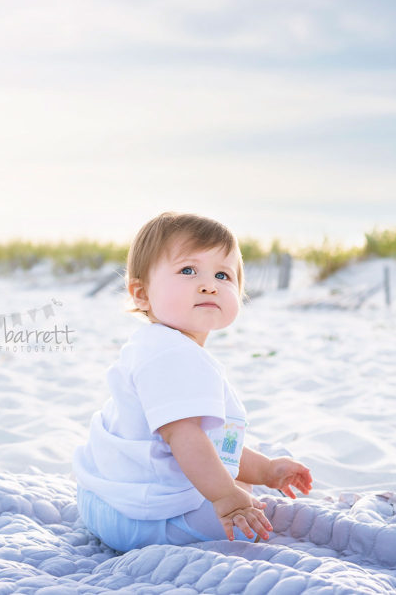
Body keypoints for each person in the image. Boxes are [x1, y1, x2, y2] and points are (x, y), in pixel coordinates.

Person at [72, 212, 313, 552]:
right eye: (188, 270)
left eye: (223, 275)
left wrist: (267, 469)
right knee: (245, 516)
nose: (209, 284)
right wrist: (228, 498)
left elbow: (208, 442)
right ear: (141, 294)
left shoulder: (158, 345)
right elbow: (184, 436)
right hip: (140, 518)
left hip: (106, 498)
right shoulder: (172, 355)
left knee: (237, 481)